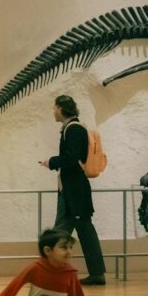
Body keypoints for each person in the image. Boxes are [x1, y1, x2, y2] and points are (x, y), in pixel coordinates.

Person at [40, 95, 106, 285]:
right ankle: (53, 270)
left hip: (75, 191)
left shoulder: (74, 129)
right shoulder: (72, 128)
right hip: (71, 191)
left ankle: (92, 273)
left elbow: (71, 158)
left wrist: (51, 162)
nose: (53, 111)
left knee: (80, 230)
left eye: (54, 108)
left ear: (61, 108)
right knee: (64, 230)